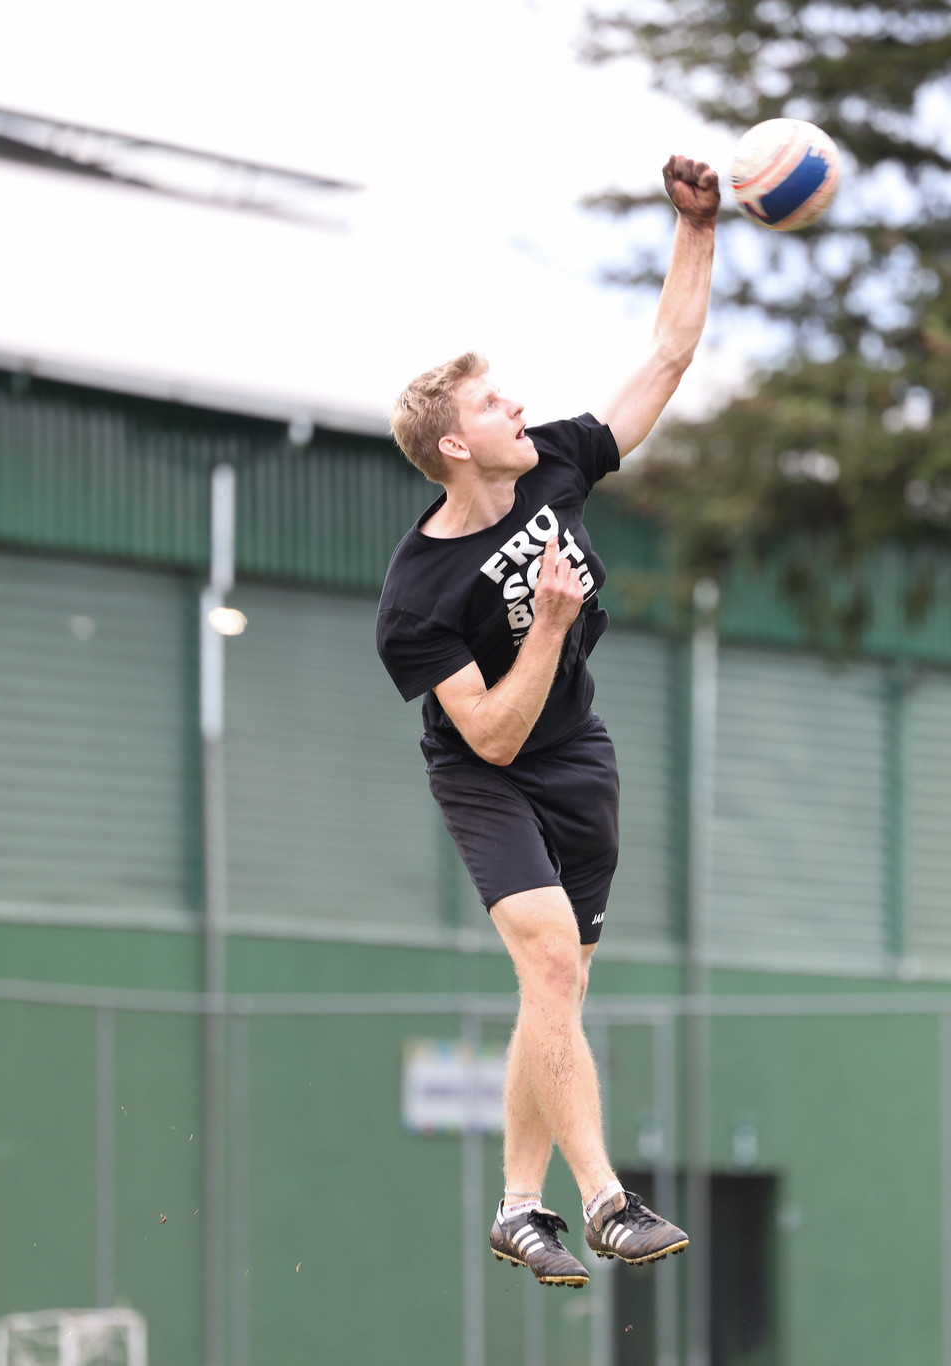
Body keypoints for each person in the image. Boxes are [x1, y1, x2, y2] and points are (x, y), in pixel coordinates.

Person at [375, 155, 719, 1287]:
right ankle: (605, 1198)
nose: (518, 407)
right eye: (492, 404)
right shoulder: (416, 603)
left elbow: (665, 357)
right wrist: (540, 629)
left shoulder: (551, 465)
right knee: (553, 966)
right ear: (454, 448)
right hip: (488, 767)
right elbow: (491, 738)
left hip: (577, 753)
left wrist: (696, 226)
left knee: (554, 984)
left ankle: (518, 1207)